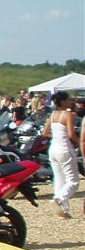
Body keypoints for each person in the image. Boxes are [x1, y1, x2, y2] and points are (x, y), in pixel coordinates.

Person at [42, 90, 80, 218]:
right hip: (64, 148)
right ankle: (59, 199)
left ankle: (63, 210)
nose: (70, 102)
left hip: (53, 148)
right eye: (68, 100)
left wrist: (57, 135)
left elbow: (44, 133)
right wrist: (80, 142)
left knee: (59, 179)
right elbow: (71, 134)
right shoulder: (67, 114)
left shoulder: (53, 114)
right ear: (63, 102)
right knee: (73, 181)